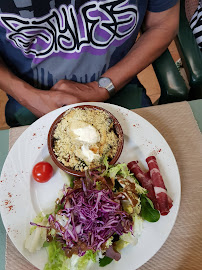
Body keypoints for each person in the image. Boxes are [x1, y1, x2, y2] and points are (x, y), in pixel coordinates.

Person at [0, 0, 179, 127]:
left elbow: (163, 24)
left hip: (119, 86)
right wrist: (26, 96)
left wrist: (102, 87)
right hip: (30, 99)